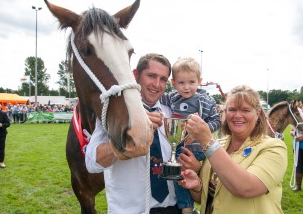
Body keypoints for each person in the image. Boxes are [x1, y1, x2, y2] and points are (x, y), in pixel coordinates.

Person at [85, 53, 182, 214]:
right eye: (151, 76)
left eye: (163, 79)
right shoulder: (113, 113)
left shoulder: (172, 114)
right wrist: (128, 137)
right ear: (135, 75)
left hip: (172, 209)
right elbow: (91, 164)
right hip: (130, 210)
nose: (157, 84)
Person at [179, 85, 288, 214]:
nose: (237, 115)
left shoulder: (274, 148)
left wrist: (207, 140)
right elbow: (205, 199)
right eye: (232, 109)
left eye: (245, 110)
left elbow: (246, 188)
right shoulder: (218, 145)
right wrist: (196, 186)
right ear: (225, 113)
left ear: (257, 113)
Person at [160, 57, 220, 214]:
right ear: (173, 83)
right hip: (176, 144)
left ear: (199, 81)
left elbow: (217, 120)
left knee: (177, 173)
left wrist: (202, 130)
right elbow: (154, 97)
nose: (186, 87)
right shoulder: (172, 97)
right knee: (175, 172)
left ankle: (187, 207)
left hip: (195, 148)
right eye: (181, 83)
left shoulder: (205, 100)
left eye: (191, 82)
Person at [0, 101, 11, 168]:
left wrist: (1, 125)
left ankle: (1, 162)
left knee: (1, 148)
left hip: (1, 133)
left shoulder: (3, 114)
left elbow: (8, 123)